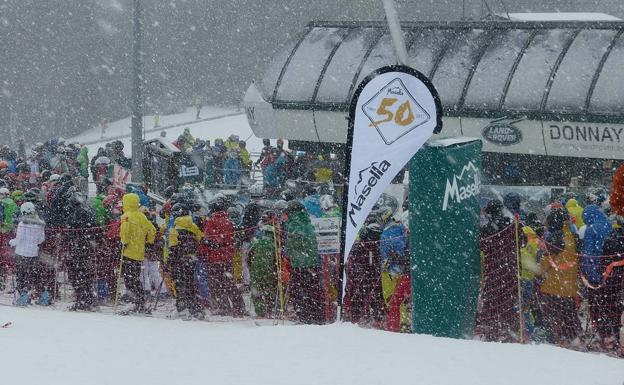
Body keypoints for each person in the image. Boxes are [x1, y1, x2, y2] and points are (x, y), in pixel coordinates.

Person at [537, 207, 582, 347]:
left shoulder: (555, 237)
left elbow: (546, 261)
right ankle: (574, 337)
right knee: (569, 313)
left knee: (552, 314)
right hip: (570, 283)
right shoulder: (573, 235)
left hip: (553, 284)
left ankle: (554, 339)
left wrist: (537, 268)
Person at [200, 197, 245, 316]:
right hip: (226, 257)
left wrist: (204, 249)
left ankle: (223, 306)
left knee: (215, 284)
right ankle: (239, 306)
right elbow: (228, 240)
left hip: (214, 257)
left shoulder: (212, 221)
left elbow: (208, 239)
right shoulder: (228, 220)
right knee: (229, 283)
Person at [283, 200, 323, 324]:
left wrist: (287, 248)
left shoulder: (295, 224)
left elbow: (295, 243)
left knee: (298, 291)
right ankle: (315, 317)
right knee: (313, 291)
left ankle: (304, 317)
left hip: (301, 264)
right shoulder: (306, 221)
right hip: (312, 263)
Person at [119, 193, 156, 313]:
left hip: (128, 251)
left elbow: (125, 232)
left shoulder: (126, 216)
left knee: (129, 278)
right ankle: (140, 301)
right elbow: (152, 230)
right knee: (135, 277)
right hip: (139, 251)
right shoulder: (141, 216)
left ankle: (134, 301)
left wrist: (123, 242)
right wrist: (148, 241)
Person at [166, 203, 204, 319]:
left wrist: (169, 263)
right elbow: (201, 238)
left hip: (179, 260)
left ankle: (182, 308)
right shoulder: (193, 226)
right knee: (190, 283)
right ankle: (193, 307)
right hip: (191, 258)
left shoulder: (174, 228)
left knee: (179, 284)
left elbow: (173, 248)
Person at [9, 202, 46, 306]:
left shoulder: (22, 224)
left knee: (21, 276)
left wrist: (11, 242)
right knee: (33, 275)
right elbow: (41, 239)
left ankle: (23, 298)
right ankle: (44, 296)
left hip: (22, 253)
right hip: (33, 253)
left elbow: (19, 239)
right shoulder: (40, 223)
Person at [248, 224, 278, 318]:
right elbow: (276, 261)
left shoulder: (255, 243)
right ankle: (271, 309)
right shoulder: (274, 245)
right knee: (269, 289)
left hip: (255, 269)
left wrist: (251, 267)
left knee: (256, 291)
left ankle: (260, 311)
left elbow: (248, 256)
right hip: (268, 270)